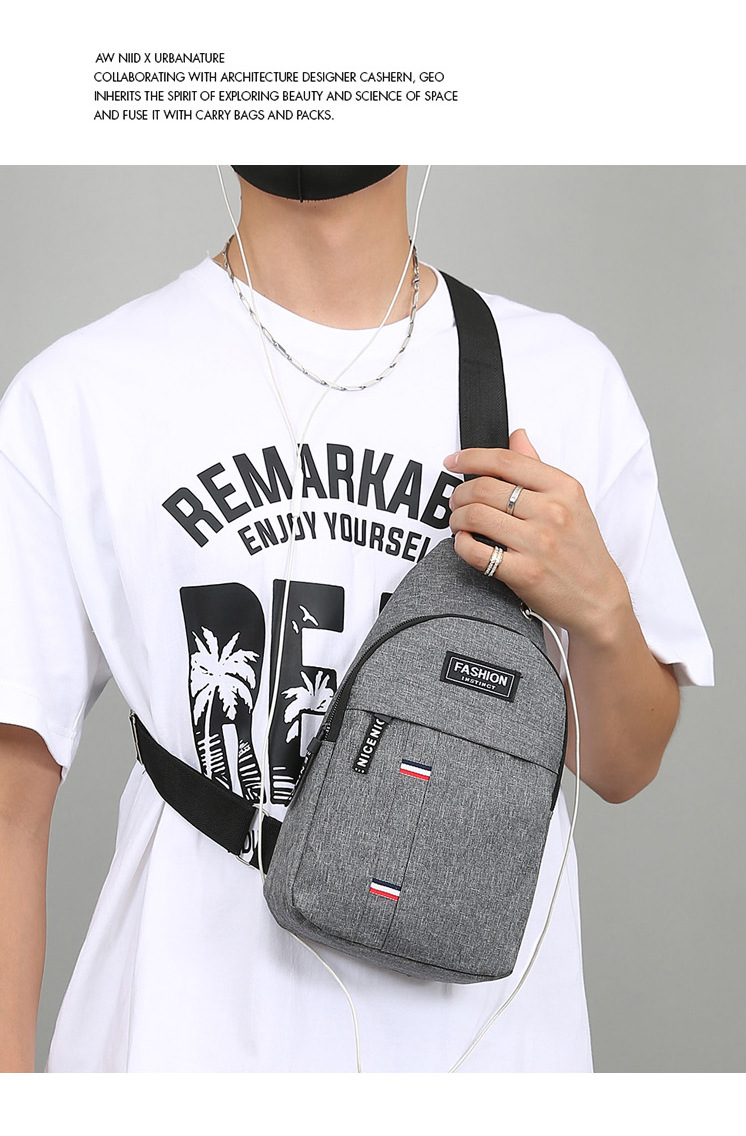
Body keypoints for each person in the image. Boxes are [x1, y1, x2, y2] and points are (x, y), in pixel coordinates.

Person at [0, 166, 713, 1073]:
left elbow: (622, 766)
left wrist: (603, 609)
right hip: (183, 1038)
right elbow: (10, 810)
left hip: (484, 1054)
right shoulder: (81, 392)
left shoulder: (561, 377)